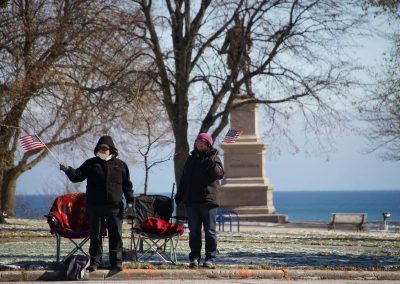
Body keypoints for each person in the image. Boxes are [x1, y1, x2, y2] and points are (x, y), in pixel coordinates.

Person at [60, 135, 134, 272]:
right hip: (95, 207)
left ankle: (116, 262)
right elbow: (77, 176)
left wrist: (130, 201)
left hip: (115, 207)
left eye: (105, 148)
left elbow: (127, 186)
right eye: (100, 148)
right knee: (96, 235)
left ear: (111, 149)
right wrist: (68, 170)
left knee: (116, 235)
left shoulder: (121, 165)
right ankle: (95, 261)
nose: (102, 150)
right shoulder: (91, 163)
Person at [175, 133, 224, 269]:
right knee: (194, 231)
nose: (199, 143)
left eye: (202, 142)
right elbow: (184, 179)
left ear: (208, 144)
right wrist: (179, 195)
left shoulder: (214, 158)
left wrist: (212, 161)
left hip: (208, 201)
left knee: (210, 231)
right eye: (198, 141)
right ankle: (194, 257)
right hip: (192, 201)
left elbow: (219, 174)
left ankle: (210, 258)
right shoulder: (191, 159)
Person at [219, 13, 253, 96]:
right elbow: (226, 43)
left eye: (239, 19)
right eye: (236, 19)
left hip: (243, 54)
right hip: (232, 54)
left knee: (246, 73)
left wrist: (248, 51)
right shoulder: (230, 31)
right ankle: (236, 90)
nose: (237, 20)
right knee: (234, 73)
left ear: (241, 20)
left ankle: (249, 91)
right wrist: (222, 50)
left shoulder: (245, 30)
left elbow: (250, 43)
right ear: (234, 20)